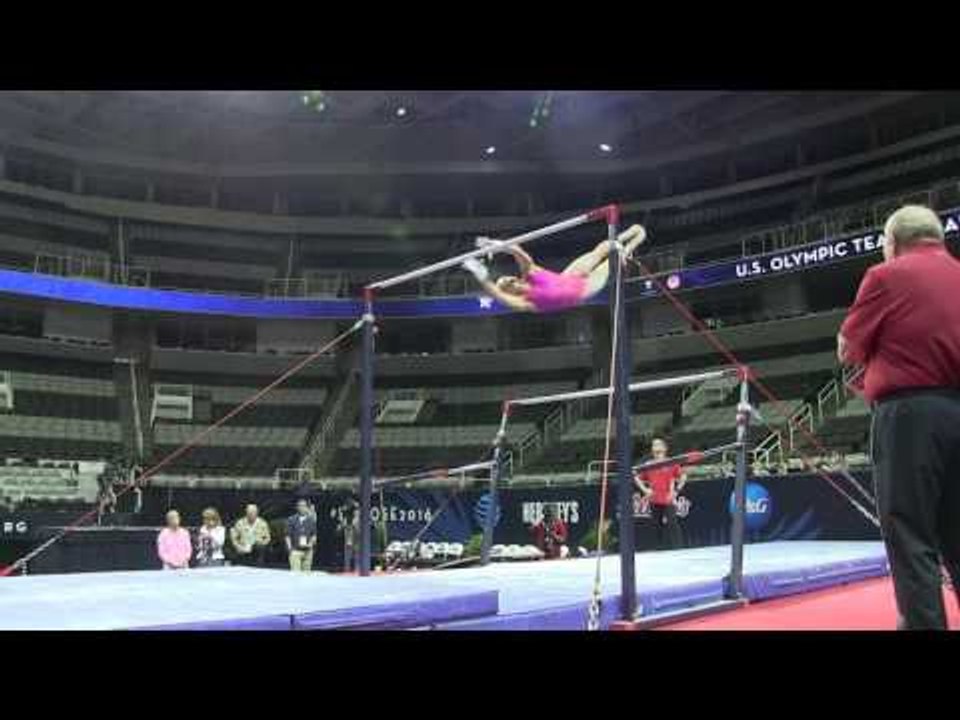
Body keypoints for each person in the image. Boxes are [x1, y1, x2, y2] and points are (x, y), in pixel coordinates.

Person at [838, 204, 960, 630]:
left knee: (910, 535)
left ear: (892, 244)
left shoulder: (885, 276)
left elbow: (848, 347)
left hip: (910, 416)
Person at [461, 224, 647, 313]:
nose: (510, 279)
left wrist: (496, 244)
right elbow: (498, 295)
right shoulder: (527, 303)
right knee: (615, 259)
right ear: (509, 290)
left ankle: (621, 240)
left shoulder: (530, 274)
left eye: (508, 278)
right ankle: (628, 249)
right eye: (506, 283)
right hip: (583, 290)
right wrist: (481, 275)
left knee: (603, 248)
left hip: (569, 276)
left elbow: (518, 252)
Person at [634, 437, 686, 551]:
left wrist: (676, 491)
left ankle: (679, 549)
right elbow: (636, 477)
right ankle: (658, 550)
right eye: (654, 445)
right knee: (656, 527)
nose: (656, 447)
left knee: (673, 525)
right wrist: (645, 490)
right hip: (654, 500)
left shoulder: (671, 462)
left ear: (664, 448)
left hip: (668, 499)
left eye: (658, 444)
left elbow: (683, 476)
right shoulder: (648, 464)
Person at [286, 499, 318, 572]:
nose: (302, 508)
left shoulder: (311, 520)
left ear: (307, 507)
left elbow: (314, 535)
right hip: (295, 550)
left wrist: (311, 543)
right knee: (295, 574)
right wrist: (289, 549)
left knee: (306, 575)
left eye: (304, 506)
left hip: (308, 551)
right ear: (297, 507)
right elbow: (287, 536)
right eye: (300, 506)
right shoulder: (291, 519)